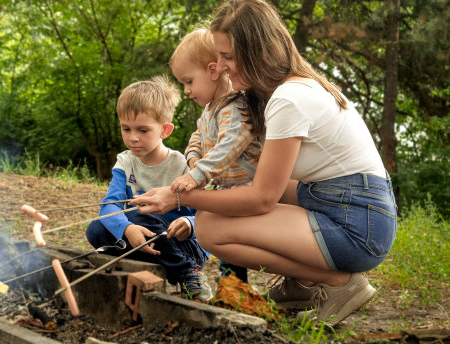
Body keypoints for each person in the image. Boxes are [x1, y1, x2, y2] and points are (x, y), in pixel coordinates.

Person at [131, 0, 397, 326]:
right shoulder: (292, 89)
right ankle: (304, 284)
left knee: (211, 227)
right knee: (232, 195)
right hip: (354, 206)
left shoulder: (288, 100)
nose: (221, 65)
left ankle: (339, 282)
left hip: (358, 226)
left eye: (227, 57)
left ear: (257, 50)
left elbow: (261, 199)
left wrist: (178, 198)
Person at [85, 75, 212, 301]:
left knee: (140, 212)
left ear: (165, 130)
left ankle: (188, 271)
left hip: (182, 244)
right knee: (96, 229)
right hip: (144, 237)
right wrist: (126, 229)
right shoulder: (125, 162)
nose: (133, 138)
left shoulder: (183, 165)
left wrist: (189, 223)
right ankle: (151, 265)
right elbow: (108, 206)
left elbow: (205, 213)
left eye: (143, 131)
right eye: (126, 129)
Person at [168, 28, 266, 283]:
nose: (187, 91)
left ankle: (234, 285)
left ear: (212, 71)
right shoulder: (211, 110)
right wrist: (193, 160)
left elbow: (229, 147)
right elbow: (197, 138)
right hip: (228, 189)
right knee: (220, 238)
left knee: (223, 234)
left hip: (248, 189)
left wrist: (198, 174)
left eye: (188, 81)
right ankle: (232, 286)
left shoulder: (235, 107)